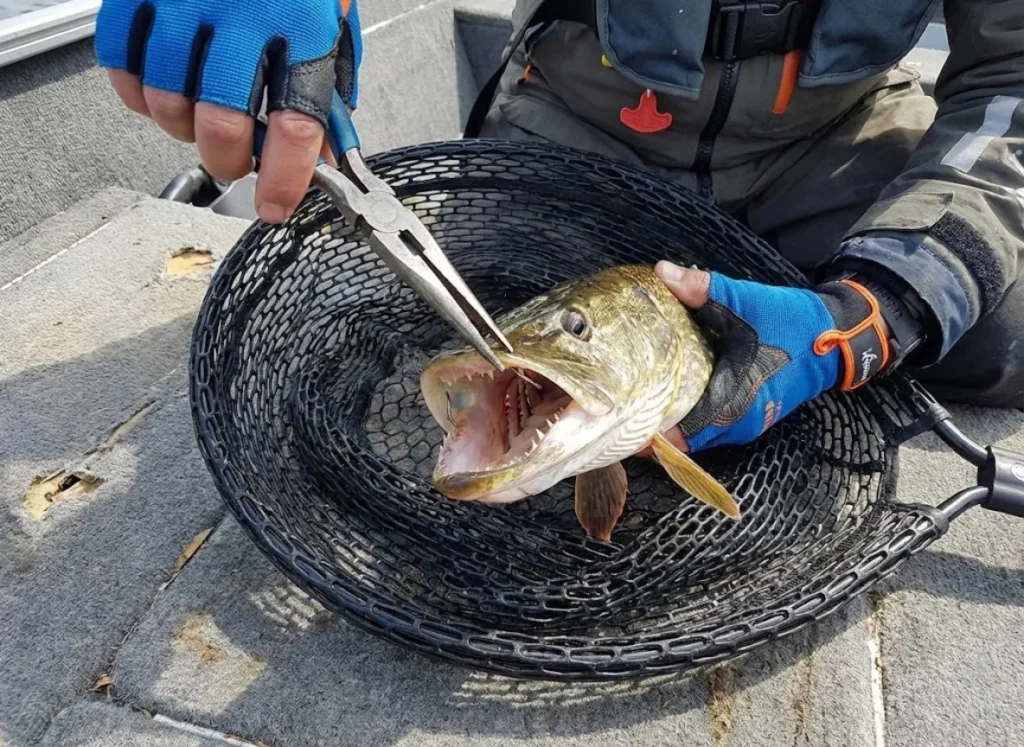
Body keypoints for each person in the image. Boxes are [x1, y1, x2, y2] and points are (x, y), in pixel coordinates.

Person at [93, 0, 1024, 455]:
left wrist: (876, 313)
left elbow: (1009, 77)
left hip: (834, 130)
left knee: (985, 326)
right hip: (581, 122)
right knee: (479, 321)